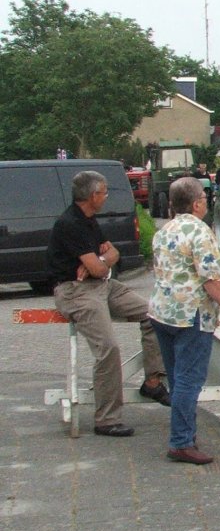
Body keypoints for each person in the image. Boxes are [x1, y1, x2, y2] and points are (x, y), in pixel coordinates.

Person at [46, 170, 169, 437]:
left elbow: (112, 254)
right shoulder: (70, 224)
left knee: (155, 313)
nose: (106, 197)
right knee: (109, 348)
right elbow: (101, 267)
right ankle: (106, 419)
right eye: (104, 192)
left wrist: (99, 261)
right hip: (75, 291)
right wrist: (99, 264)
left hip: (101, 285)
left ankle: (153, 381)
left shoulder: (89, 220)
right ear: (93, 195)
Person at [149, 177, 220, 464]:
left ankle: (185, 432)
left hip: (162, 312)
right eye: (204, 198)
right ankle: (181, 442)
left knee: (177, 378)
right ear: (197, 203)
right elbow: (211, 278)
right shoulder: (200, 232)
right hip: (191, 314)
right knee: (189, 380)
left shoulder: (163, 230)